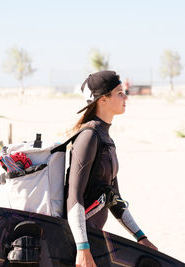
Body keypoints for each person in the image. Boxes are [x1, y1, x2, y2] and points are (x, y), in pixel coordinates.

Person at [67, 70, 157, 267]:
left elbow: (113, 197)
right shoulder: (88, 137)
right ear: (103, 99)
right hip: (77, 243)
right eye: (119, 92)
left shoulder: (106, 138)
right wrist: (82, 249)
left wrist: (140, 237)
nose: (125, 97)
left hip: (93, 238)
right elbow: (74, 198)